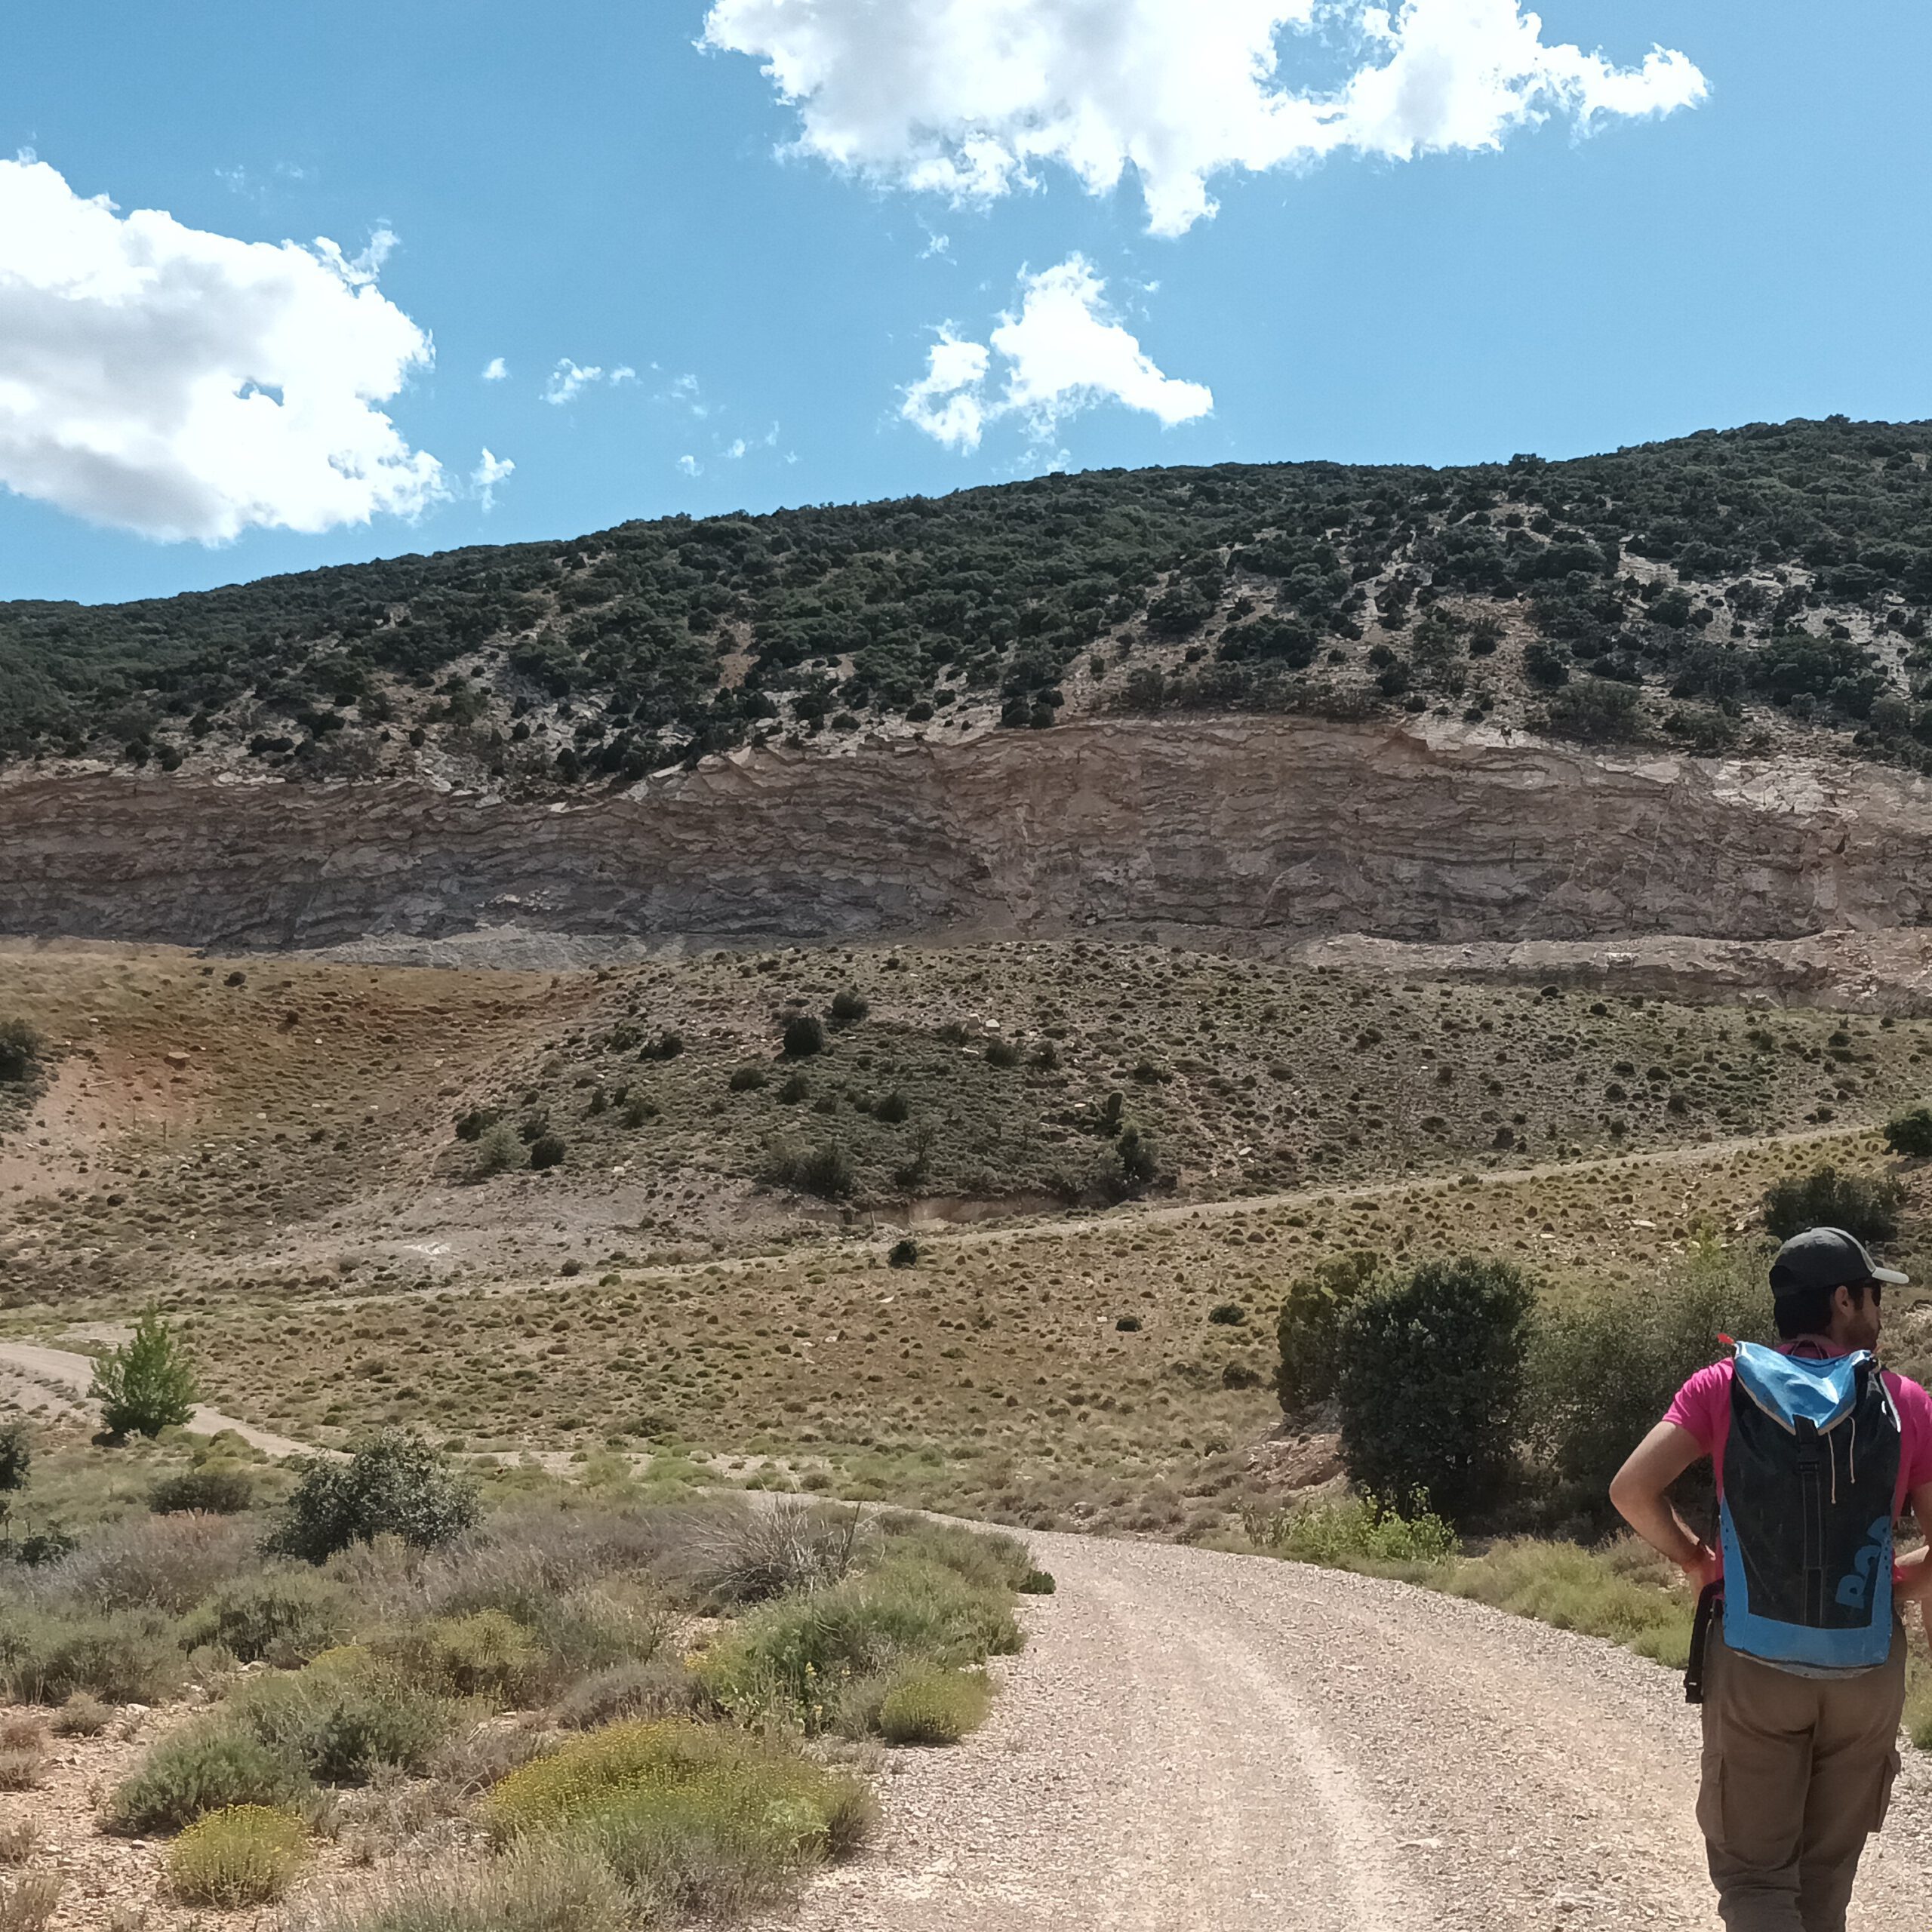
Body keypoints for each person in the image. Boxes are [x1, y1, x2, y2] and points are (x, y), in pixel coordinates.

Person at [1611, 1226, 1932, 1932]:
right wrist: (1895, 1584)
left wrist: (1699, 1563)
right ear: (1843, 1300)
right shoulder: (1906, 1402)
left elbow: (1632, 1489)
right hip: (1866, 1665)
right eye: (1874, 1297)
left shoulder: (1723, 1386)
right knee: (1824, 1886)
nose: (1882, 1314)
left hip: (1753, 1661)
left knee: (1758, 1883)